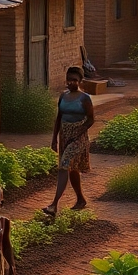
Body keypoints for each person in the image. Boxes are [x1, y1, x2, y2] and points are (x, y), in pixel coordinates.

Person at [44, 66, 94, 216]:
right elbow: (58, 118)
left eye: (75, 80)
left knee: (64, 165)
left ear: (80, 81)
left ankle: (54, 205)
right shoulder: (63, 96)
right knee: (71, 169)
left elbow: (91, 120)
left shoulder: (85, 98)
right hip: (64, 136)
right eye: (69, 80)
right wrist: (54, 139)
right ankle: (80, 199)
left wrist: (77, 133)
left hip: (79, 137)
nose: (71, 83)